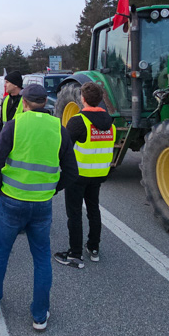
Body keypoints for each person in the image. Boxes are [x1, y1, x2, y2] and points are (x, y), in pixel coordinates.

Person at [0, 84, 78, 331]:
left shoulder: (15, 125)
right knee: (42, 257)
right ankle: (40, 315)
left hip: (12, 200)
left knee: (1, 252)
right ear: (46, 103)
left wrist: (0, 191)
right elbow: (71, 172)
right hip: (42, 204)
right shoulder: (59, 129)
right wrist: (51, 189)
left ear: (24, 103)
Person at [54, 82, 115, 268]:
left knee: (74, 214)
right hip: (99, 173)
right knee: (93, 209)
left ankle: (75, 254)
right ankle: (94, 248)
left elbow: (64, 147)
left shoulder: (78, 121)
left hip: (78, 175)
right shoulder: (110, 121)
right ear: (101, 99)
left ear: (82, 98)